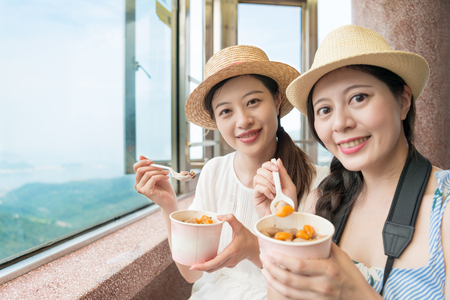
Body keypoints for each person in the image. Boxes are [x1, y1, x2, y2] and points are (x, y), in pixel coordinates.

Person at [256, 25, 449, 299]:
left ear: (403, 100)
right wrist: (280, 231)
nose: (341, 124)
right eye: (324, 109)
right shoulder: (318, 204)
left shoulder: (445, 209)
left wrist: (355, 292)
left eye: (358, 97)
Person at [133, 45, 329, 299]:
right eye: (226, 111)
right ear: (216, 120)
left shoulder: (319, 183)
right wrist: (169, 206)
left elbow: (313, 285)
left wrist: (254, 249)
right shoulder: (214, 171)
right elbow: (193, 273)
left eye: (253, 101)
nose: (242, 120)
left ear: (277, 100)